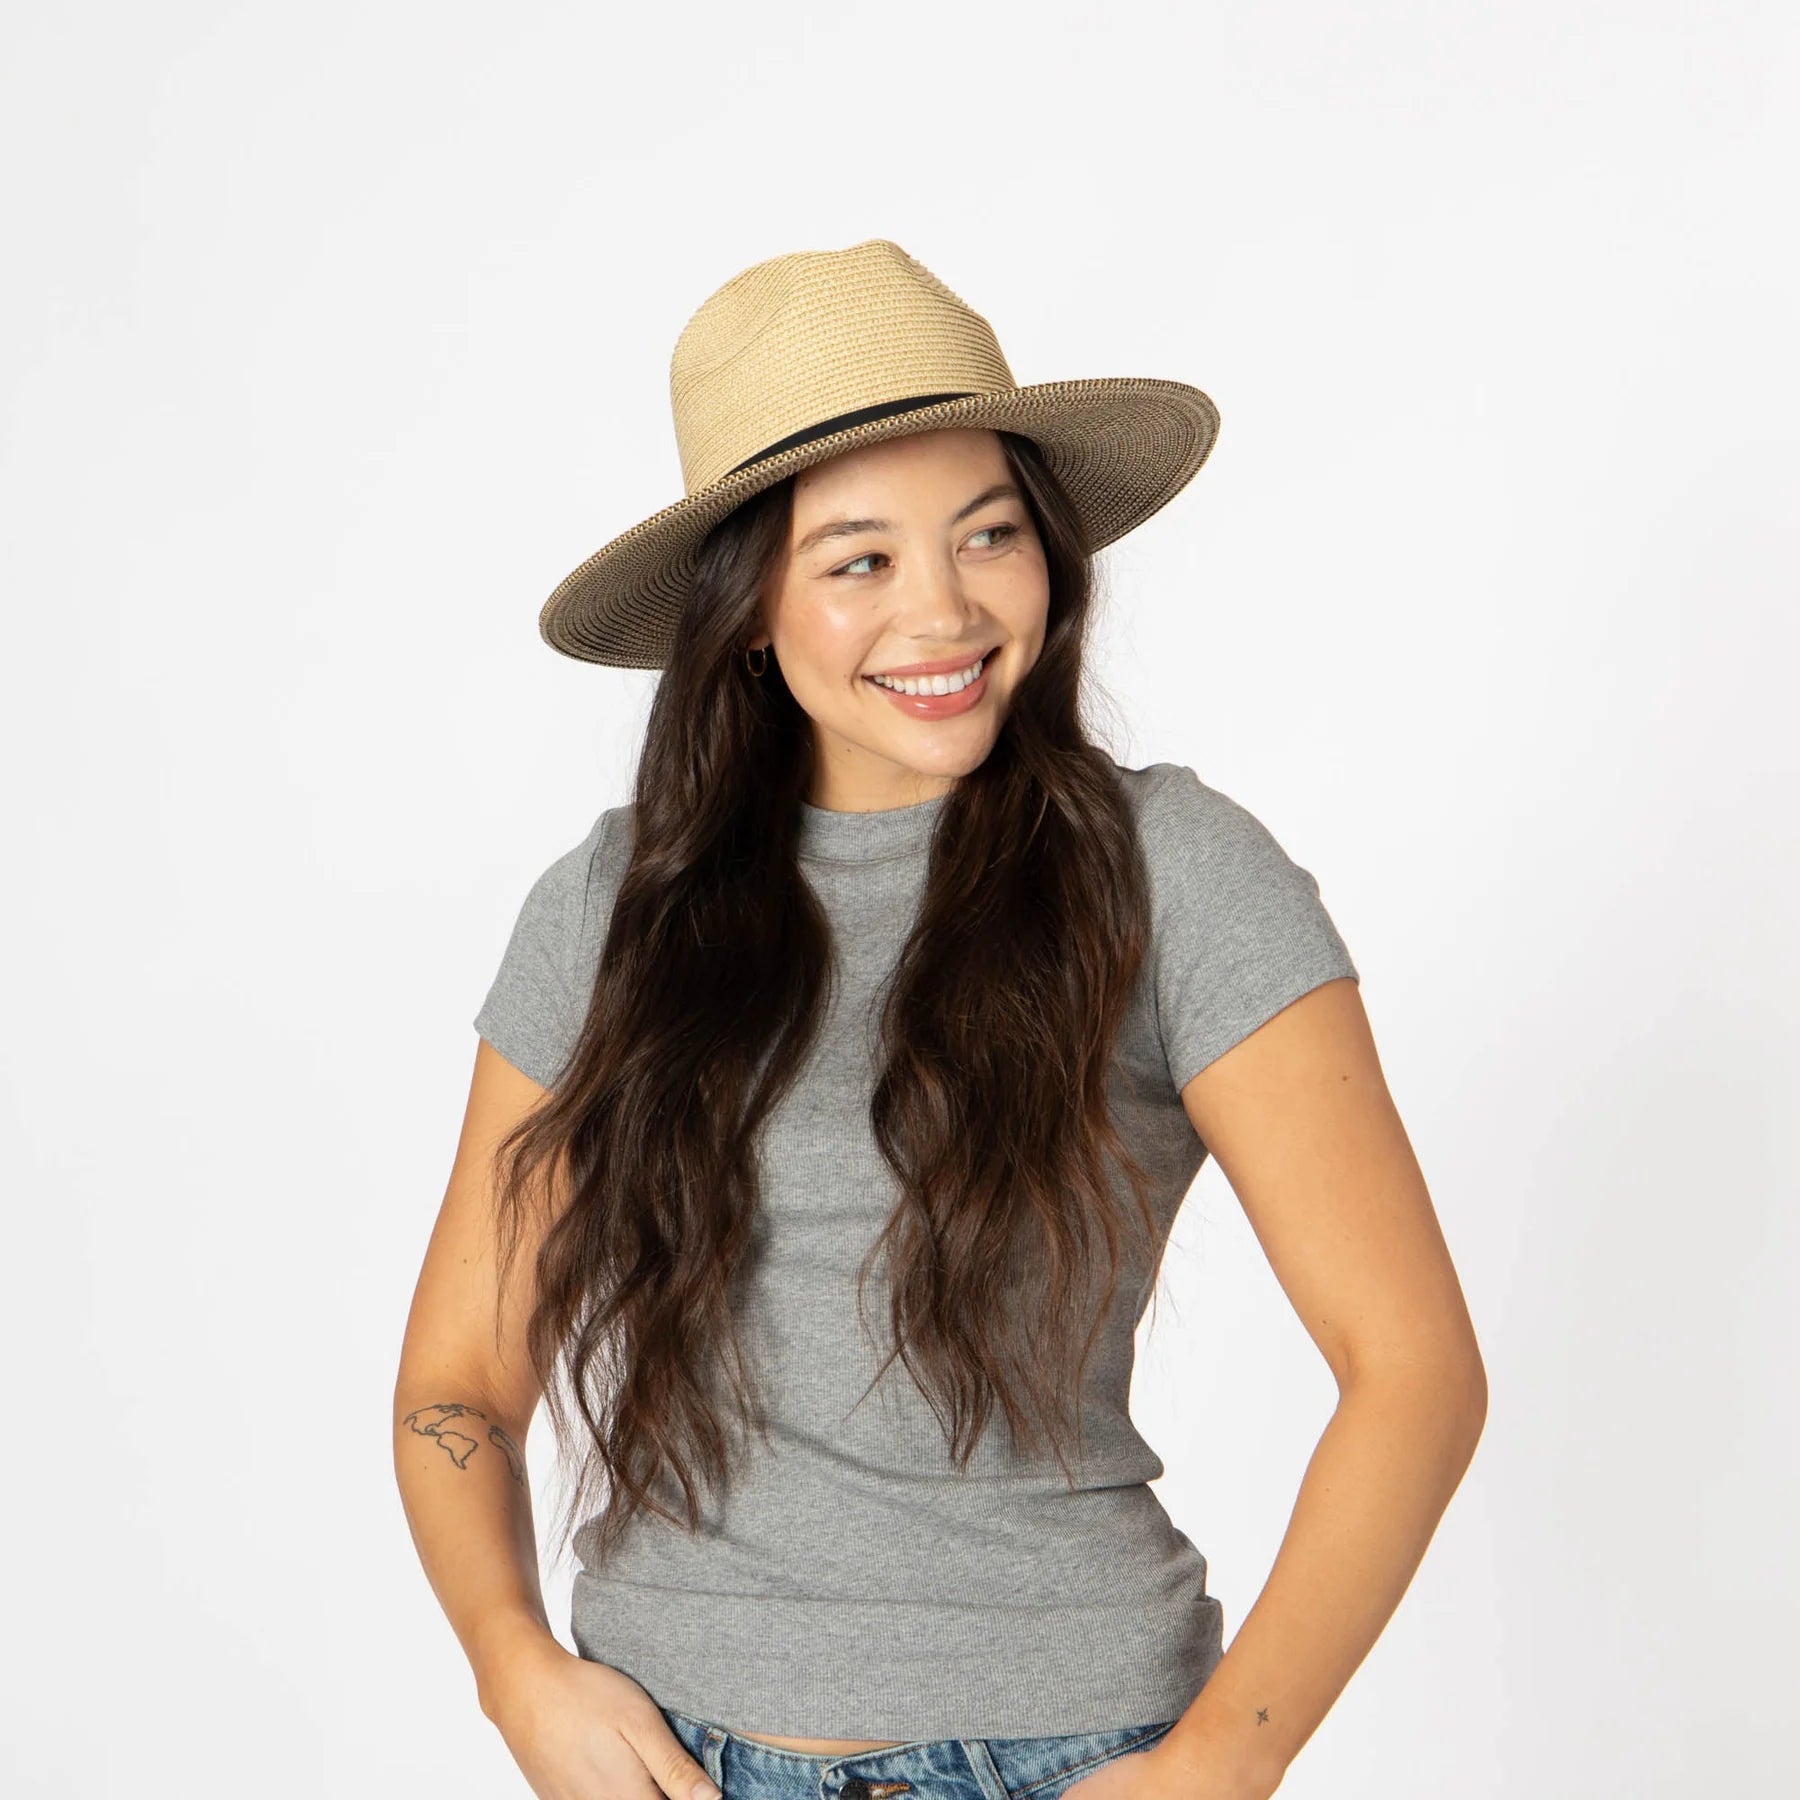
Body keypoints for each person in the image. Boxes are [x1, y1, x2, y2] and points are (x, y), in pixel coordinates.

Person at [393, 239, 1487, 1800]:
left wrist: (1211, 1773)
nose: (947, 609)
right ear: (749, 611)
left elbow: (1416, 1366)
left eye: (990, 535)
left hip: (1063, 1748)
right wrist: (515, 1672)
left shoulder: (1170, 874)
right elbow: (456, 1388)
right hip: (668, 1753)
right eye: (860, 560)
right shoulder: (613, 904)